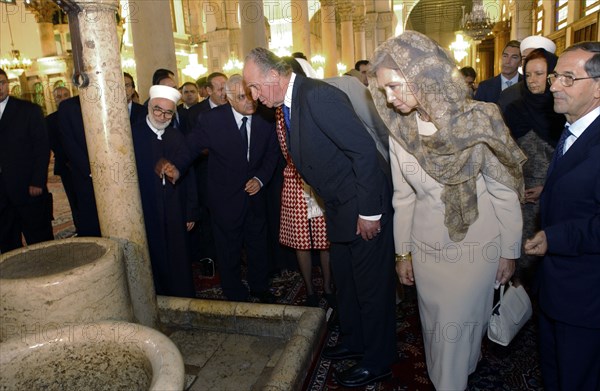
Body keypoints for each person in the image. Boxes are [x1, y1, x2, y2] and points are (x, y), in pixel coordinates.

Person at [369, 31, 525, 390]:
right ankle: (461, 371)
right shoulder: (402, 132)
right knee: (437, 327)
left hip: (477, 245)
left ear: (423, 77)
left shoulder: (480, 119)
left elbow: (504, 193)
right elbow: (403, 197)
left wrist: (509, 251)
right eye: (384, 90)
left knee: (454, 331)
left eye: (394, 87)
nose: (389, 100)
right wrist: (402, 252)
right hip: (426, 249)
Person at [242, 48, 397, 388]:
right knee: (346, 280)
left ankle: (378, 360)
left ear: (273, 77)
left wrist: (369, 213)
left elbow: (363, 152)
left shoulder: (318, 96)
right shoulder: (289, 103)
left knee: (371, 288)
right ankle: (356, 341)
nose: (252, 96)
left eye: (254, 87)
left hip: (363, 205)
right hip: (339, 206)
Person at [158, 74, 280, 303]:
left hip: (255, 195)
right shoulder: (211, 120)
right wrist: (177, 167)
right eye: (242, 97)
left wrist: (261, 179)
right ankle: (233, 290)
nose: (250, 101)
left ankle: (259, 287)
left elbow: (272, 153)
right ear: (229, 98)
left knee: (258, 243)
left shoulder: (266, 117)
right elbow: (190, 147)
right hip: (224, 197)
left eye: (251, 95)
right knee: (228, 248)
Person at [524, 41, 600, 391]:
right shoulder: (573, 128)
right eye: (556, 76)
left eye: (568, 78)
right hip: (558, 289)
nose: (554, 85)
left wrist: (556, 237)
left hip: (586, 298)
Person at [503, 48, 564, 288]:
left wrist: (546, 187)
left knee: (548, 263)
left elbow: (570, 161)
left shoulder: (561, 111)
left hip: (554, 195)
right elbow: (505, 154)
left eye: (539, 74)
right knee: (521, 257)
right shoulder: (514, 109)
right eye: (528, 75)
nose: (533, 81)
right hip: (519, 196)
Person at [131, 85, 198, 298]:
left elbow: (190, 179)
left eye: (168, 112)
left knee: (178, 256)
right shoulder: (132, 135)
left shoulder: (177, 137)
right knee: (152, 256)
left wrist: (190, 212)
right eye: (158, 110)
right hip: (146, 207)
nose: (162, 116)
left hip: (174, 209)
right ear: (149, 107)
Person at [0, 68, 54, 252]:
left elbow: (41, 147)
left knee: (40, 241)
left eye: (2, 83)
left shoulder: (28, 110)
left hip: (28, 187)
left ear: (8, 84)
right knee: (7, 243)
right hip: (1, 194)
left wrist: (38, 180)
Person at [46, 86, 79, 233]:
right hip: (65, 167)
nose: (63, 98)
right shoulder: (49, 120)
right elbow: (53, 144)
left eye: (66, 95)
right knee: (73, 200)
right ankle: (80, 227)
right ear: (55, 100)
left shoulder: (81, 115)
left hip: (82, 164)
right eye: (59, 96)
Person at [498, 35, 557, 112]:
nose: (528, 63)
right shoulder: (509, 95)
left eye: (533, 58)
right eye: (525, 58)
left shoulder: (562, 96)